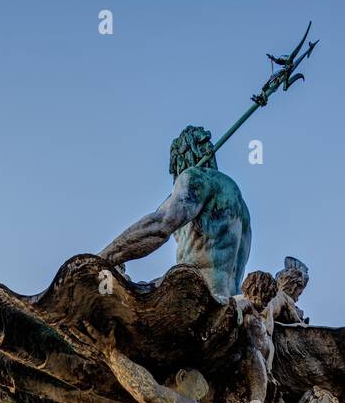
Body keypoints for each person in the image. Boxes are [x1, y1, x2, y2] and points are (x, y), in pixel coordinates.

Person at [100, 125, 251, 300]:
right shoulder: (237, 202)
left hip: (201, 299)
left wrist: (103, 257)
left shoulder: (196, 178)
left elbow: (158, 227)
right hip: (231, 299)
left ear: (181, 160)